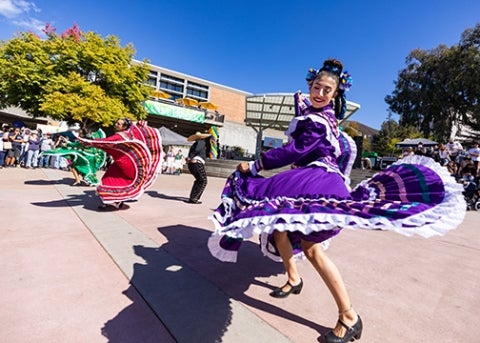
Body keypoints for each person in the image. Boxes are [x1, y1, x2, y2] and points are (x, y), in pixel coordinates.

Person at [207, 59, 466, 343]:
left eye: (326, 90)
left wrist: (256, 166)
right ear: (310, 86)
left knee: (312, 249)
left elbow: (294, 150)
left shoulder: (317, 121)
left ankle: (349, 316)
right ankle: (294, 279)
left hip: (320, 186)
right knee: (278, 228)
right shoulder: (319, 116)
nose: (319, 93)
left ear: (335, 94)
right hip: (310, 181)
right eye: (316, 87)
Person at [79, 118, 162, 210]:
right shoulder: (131, 133)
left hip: (126, 163)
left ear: (124, 126)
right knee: (116, 179)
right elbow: (137, 127)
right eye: (116, 122)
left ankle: (114, 201)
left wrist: (89, 142)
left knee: (109, 179)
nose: (116, 124)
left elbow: (106, 142)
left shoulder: (120, 136)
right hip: (126, 163)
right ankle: (118, 201)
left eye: (118, 124)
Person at [185, 131, 211, 204]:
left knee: (199, 180)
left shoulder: (194, 144)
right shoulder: (201, 142)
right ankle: (194, 198)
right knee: (203, 181)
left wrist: (189, 157)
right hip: (197, 163)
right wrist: (190, 157)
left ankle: (193, 197)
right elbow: (197, 150)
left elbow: (193, 151)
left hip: (193, 163)